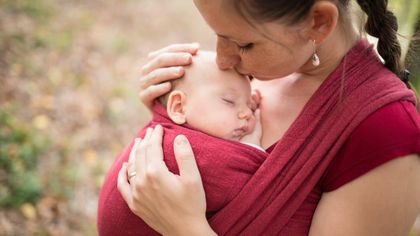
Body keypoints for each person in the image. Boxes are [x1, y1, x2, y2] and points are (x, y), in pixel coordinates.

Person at [105, 0, 420, 235]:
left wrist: (186, 228)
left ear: (318, 22)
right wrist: (166, 117)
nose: (223, 59)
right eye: (217, 34)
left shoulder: (386, 132)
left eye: (243, 44)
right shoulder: (259, 70)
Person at [97, 51, 266, 235]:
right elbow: (239, 183)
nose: (247, 114)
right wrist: (252, 145)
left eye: (250, 105)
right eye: (229, 101)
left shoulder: (170, 128)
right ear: (178, 107)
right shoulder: (182, 146)